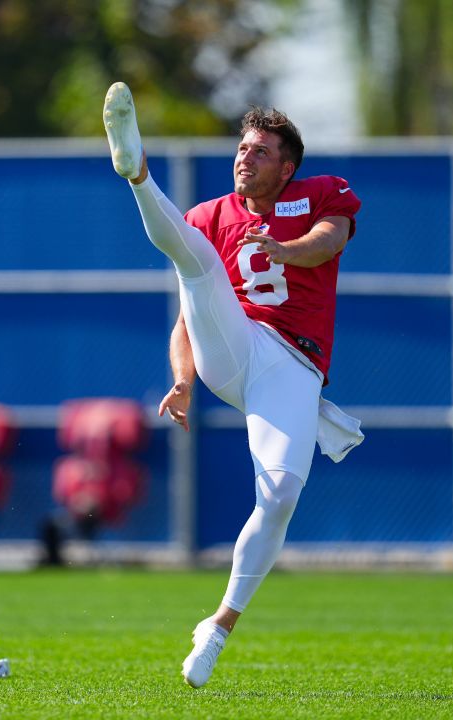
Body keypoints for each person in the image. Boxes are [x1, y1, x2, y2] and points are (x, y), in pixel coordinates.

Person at [102, 82, 366, 688]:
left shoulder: (323, 195)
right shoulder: (212, 216)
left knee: (278, 499)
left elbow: (328, 242)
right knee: (196, 263)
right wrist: (181, 379)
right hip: (233, 347)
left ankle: (218, 626)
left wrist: (283, 246)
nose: (245, 157)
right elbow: (186, 317)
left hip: (292, 369)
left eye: (261, 152)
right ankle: (138, 173)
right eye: (242, 147)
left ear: (288, 167)